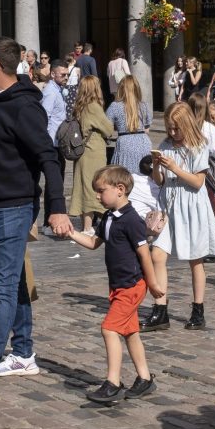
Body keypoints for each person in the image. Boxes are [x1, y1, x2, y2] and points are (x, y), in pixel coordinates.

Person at [0, 37, 73, 396]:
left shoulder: (24, 108)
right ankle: (22, 353)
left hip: (16, 205)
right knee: (15, 278)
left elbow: (48, 158)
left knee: (2, 284)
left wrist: (57, 207)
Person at [62, 165, 159, 403]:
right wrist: (72, 233)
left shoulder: (132, 220)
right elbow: (95, 242)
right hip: (118, 285)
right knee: (130, 332)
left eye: (100, 190)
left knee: (109, 329)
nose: (97, 195)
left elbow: (144, 255)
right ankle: (144, 379)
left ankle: (113, 382)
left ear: (120, 189)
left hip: (132, 285)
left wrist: (153, 285)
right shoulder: (107, 217)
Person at [140, 101, 215, 332]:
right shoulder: (166, 144)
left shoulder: (199, 146)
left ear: (186, 124)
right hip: (169, 205)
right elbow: (160, 181)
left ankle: (198, 309)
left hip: (191, 206)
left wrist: (174, 168)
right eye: (169, 128)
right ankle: (160, 309)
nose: (172, 133)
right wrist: (156, 166)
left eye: (177, 128)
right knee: (157, 255)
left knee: (195, 259)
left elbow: (197, 182)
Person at [69, 77, 115, 235]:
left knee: (83, 186)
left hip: (82, 151)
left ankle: (86, 226)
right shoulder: (94, 107)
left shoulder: (79, 106)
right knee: (93, 187)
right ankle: (88, 228)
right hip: (94, 151)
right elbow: (109, 129)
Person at [107, 75, 151, 174]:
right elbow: (147, 129)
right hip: (144, 142)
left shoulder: (115, 106)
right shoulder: (144, 105)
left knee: (124, 177)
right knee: (144, 177)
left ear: (120, 89)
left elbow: (107, 128)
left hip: (125, 142)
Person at [41, 61, 69, 144]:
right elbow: (45, 117)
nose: (67, 77)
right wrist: (48, 141)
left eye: (68, 74)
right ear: (53, 74)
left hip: (59, 139)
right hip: (53, 141)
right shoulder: (50, 92)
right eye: (63, 75)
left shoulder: (58, 89)